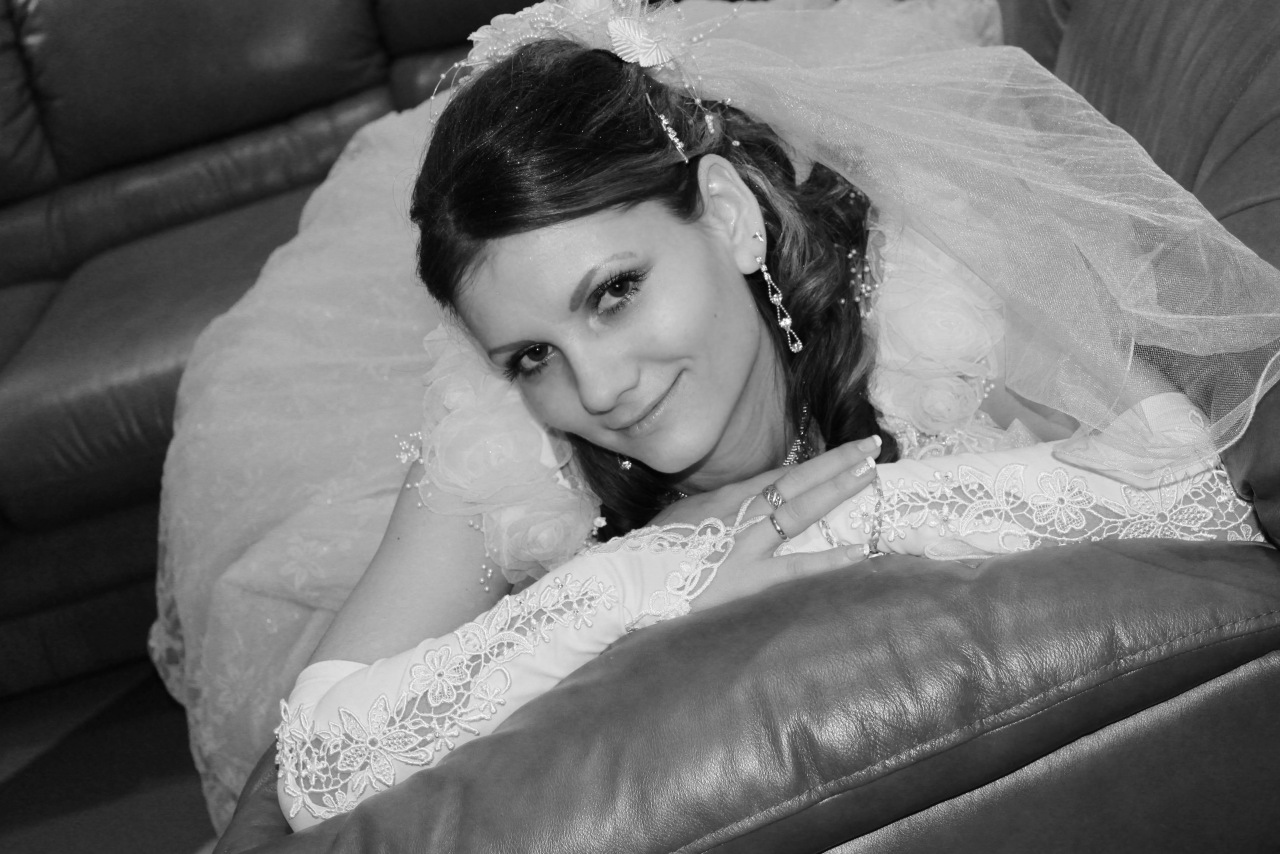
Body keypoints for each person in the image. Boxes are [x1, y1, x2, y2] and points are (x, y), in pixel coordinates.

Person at [149, 0, 1278, 832]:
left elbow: (1187, 486)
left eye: (614, 291)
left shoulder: (928, 287)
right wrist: (652, 581)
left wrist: (838, 513)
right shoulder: (503, 438)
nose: (597, 390)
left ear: (730, 216)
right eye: (532, 355)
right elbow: (323, 756)